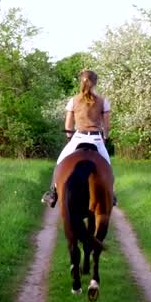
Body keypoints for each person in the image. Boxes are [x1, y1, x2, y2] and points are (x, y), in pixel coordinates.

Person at [42, 69, 115, 208]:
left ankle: (52, 193)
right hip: (96, 139)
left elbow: (68, 124)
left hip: (78, 137)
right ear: (95, 83)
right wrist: (105, 137)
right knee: (108, 166)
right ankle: (111, 195)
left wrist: (69, 136)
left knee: (60, 163)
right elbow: (106, 126)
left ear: (80, 82)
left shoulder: (73, 101)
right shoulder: (103, 101)